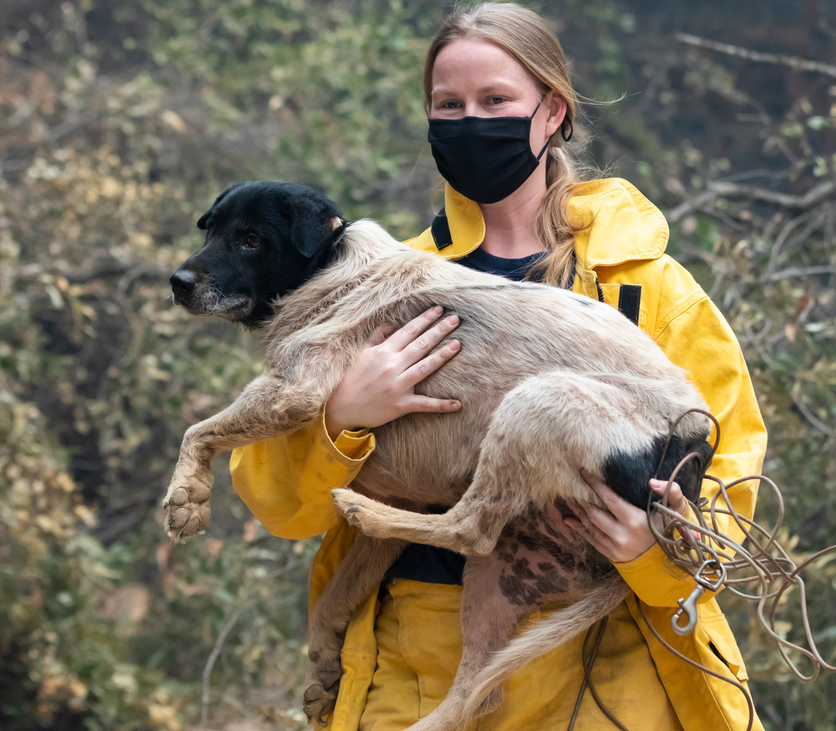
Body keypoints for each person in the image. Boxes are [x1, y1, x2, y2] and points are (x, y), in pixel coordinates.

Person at [229, 3, 767, 729]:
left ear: (552, 112)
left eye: (494, 102)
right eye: (447, 105)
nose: (469, 123)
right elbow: (277, 502)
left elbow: (728, 479)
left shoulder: (649, 289)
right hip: (414, 668)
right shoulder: (372, 283)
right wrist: (339, 416)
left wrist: (653, 551)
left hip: (605, 675)